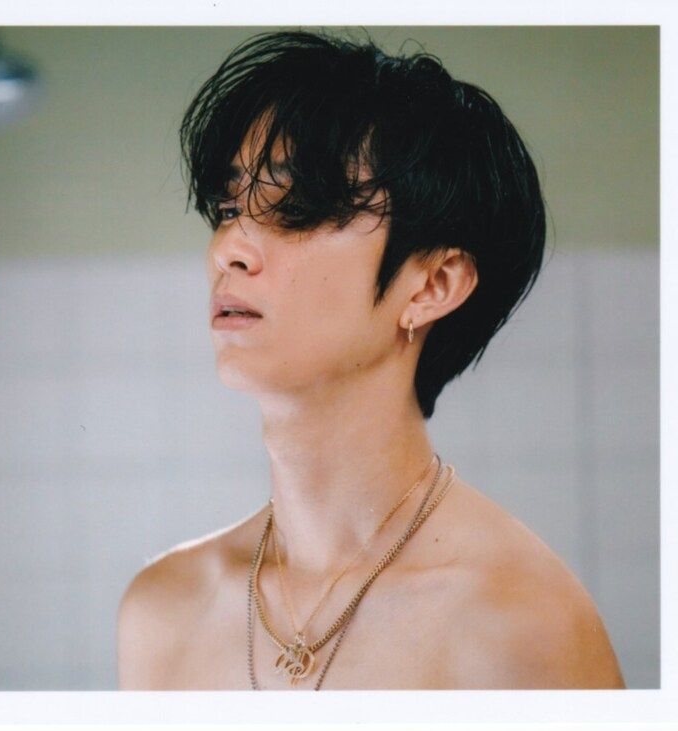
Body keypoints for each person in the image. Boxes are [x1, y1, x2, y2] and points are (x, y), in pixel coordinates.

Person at [116, 30, 624, 690]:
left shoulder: (523, 627)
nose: (228, 248)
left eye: (297, 209)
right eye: (228, 207)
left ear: (433, 285)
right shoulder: (163, 611)